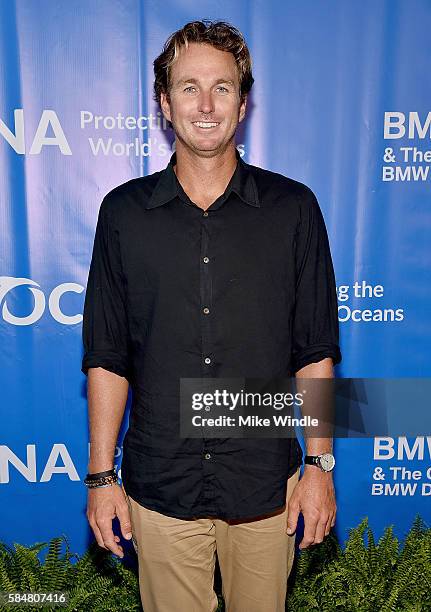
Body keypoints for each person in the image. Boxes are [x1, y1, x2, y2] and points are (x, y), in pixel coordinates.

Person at [82, 19, 341, 612]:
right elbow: (107, 355)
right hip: (160, 485)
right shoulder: (123, 214)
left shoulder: (293, 209)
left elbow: (314, 349)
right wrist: (101, 478)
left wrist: (320, 463)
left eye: (222, 88)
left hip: (266, 486)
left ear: (243, 103)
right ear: (164, 104)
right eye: (188, 87)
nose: (205, 104)